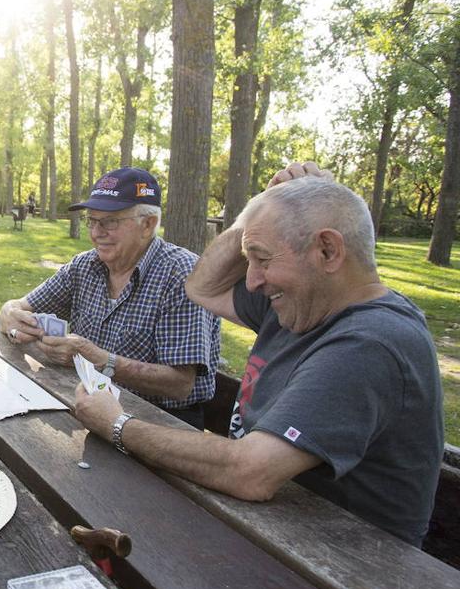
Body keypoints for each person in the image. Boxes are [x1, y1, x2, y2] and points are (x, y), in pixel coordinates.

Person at [71, 162, 443, 547]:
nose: (251, 280)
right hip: (273, 530)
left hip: (343, 568)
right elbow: (202, 287)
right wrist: (260, 207)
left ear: (328, 251)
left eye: (262, 259)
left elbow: (249, 473)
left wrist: (117, 424)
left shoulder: (370, 343)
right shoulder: (297, 302)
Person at [0, 167, 221, 427]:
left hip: (161, 422)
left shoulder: (182, 274)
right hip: (90, 405)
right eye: (92, 221)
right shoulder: (85, 266)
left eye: (109, 222)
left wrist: (99, 360)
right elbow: (18, 306)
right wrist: (9, 314)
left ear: (147, 224)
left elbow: (181, 384)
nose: (95, 233)